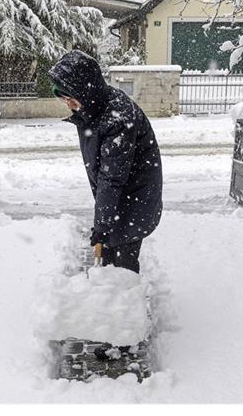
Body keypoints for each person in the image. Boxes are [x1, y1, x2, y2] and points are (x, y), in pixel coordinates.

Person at [48, 50, 163, 274]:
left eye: (70, 98)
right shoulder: (93, 109)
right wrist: (104, 224)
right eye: (62, 98)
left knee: (124, 267)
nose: (68, 105)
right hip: (120, 202)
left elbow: (111, 178)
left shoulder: (116, 116)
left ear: (84, 90)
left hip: (134, 202)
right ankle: (108, 297)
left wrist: (101, 227)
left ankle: (126, 304)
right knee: (110, 255)